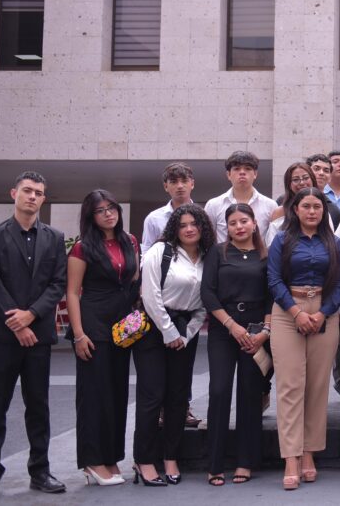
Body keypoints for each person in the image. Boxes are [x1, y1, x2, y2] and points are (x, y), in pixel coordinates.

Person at [0, 172, 68, 501]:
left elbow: (57, 283)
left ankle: (40, 470)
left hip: (39, 334)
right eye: (27, 191)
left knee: (38, 406)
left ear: (44, 199)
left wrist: (31, 315)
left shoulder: (55, 237)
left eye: (38, 193)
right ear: (14, 193)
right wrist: (17, 322)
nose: (32, 196)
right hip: (3, 335)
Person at [267, 187, 340, 490]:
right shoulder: (282, 240)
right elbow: (273, 279)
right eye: (306, 206)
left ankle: (310, 454)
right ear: (296, 209)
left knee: (316, 386)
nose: (312, 211)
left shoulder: (335, 243)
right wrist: (296, 313)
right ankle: (291, 457)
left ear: (323, 211)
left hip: (324, 313)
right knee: (290, 385)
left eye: (317, 206)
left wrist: (322, 312)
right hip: (287, 311)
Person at [133, 204, 213, 487]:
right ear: (174, 229)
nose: (189, 229)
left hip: (186, 332)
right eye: (183, 225)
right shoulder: (160, 251)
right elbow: (150, 294)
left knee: (178, 398)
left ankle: (170, 457)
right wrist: (168, 332)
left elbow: (207, 300)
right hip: (155, 330)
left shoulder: (207, 257)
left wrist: (188, 333)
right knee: (152, 396)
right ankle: (143, 460)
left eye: (195, 224)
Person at [66, 190, 140, 487]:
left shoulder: (130, 241)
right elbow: (72, 293)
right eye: (101, 210)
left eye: (112, 208)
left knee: (117, 395)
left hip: (123, 327)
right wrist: (78, 334)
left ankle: (111, 457)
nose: (108, 214)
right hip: (93, 326)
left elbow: (134, 280)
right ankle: (92, 461)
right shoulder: (82, 248)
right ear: (91, 216)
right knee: (94, 396)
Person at [200, 204, 271, 486]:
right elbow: (208, 292)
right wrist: (231, 325)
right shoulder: (218, 253)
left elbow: (272, 295)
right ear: (226, 227)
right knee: (219, 391)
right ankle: (214, 463)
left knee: (250, 394)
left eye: (244, 221)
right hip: (223, 328)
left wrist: (265, 330)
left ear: (254, 223)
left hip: (255, 330)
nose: (239, 226)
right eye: (232, 223)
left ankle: (245, 461)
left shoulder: (266, 256)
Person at [205, 150, 277, 243]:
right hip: (223, 256)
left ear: (255, 174)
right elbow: (208, 238)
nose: (242, 172)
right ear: (228, 175)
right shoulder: (213, 205)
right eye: (237, 169)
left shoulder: (270, 205)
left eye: (247, 168)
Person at [142, 162, 195, 253]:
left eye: (184, 181)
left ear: (192, 184)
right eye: (174, 182)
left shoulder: (205, 215)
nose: (180, 186)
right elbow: (146, 254)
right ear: (166, 186)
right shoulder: (153, 219)